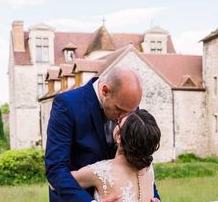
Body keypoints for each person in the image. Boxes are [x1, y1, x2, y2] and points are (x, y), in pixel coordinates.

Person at [45, 66, 161, 202]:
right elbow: (56, 169)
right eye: (119, 110)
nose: (124, 118)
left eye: (131, 112)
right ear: (105, 91)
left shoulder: (128, 106)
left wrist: (153, 198)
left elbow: (139, 155)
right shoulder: (67, 105)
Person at [70, 109, 161, 202]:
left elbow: (59, 182)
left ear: (119, 137)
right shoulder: (148, 169)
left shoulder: (102, 171)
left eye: (119, 122)